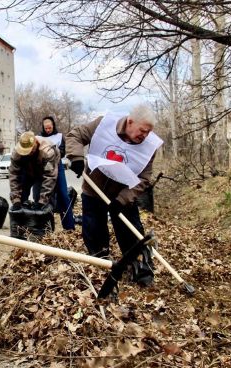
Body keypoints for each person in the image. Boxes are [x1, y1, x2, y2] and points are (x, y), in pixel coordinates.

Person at [66, 104, 163, 286]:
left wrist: (123, 199)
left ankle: (140, 271)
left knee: (131, 233)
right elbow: (75, 135)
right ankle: (101, 265)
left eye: (148, 132)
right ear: (130, 121)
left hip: (122, 195)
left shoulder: (149, 146)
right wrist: (76, 157)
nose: (145, 136)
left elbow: (143, 178)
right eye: (143, 130)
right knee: (94, 231)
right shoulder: (104, 124)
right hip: (94, 189)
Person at [37, 117, 75, 230]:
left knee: (63, 195)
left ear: (53, 126)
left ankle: (69, 226)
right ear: (43, 127)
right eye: (46, 128)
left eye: (50, 127)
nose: (48, 130)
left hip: (58, 166)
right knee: (45, 197)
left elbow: (63, 152)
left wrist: (52, 152)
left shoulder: (59, 136)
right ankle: (47, 227)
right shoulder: (39, 138)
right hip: (44, 168)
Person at [9, 131, 60, 213]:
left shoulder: (47, 151)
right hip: (28, 168)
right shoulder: (16, 153)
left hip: (49, 168)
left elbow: (50, 176)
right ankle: (23, 224)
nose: (28, 153)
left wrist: (42, 201)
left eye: (30, 150)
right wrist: (16, 200)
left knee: (42, 197)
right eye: (25, 151)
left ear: (35, 142)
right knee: (20, 198)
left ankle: (65, 223)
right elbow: (14, 175)